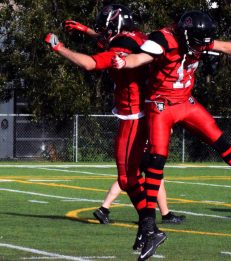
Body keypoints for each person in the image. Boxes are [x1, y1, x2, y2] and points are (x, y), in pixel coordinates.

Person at [112, 10, 231, 260]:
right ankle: (148, 224)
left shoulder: (197, 38)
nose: (200, 49)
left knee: (220, 140)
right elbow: (141, 57)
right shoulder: (164, 39)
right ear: (185, 35)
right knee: (156, 161)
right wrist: (124, 62)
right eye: (196, 43)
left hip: (185, 101)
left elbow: (225, 46)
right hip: (161, 105)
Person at [45, 4, 183, 253]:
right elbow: (111, 39)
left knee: (127, 177)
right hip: (151, 111)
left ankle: (150, 228)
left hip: (134, 116)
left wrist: (59, 47)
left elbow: (89, 63)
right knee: (135, 175)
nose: (102, 33)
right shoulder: (139, 37)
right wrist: (87, 30)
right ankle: (149, 227)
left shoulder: (121, 48)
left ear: (115, 27)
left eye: (105, 28)